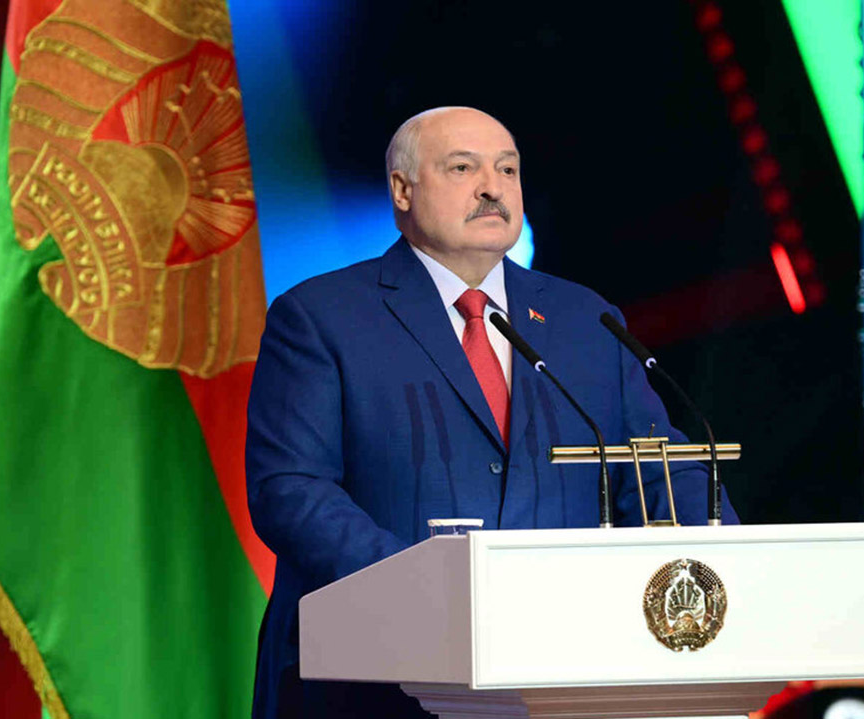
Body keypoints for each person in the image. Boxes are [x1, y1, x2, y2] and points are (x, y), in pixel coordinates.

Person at [246, 106, 739, 719]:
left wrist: (727, 562)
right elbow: (290, 490)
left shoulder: (585, 319)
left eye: (508, 169)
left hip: (566, 672)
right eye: (463, 168)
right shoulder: (321, 316)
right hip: (378, 680)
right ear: (402, 190)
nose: (492, 187)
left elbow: (658, 465)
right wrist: (421, 586)